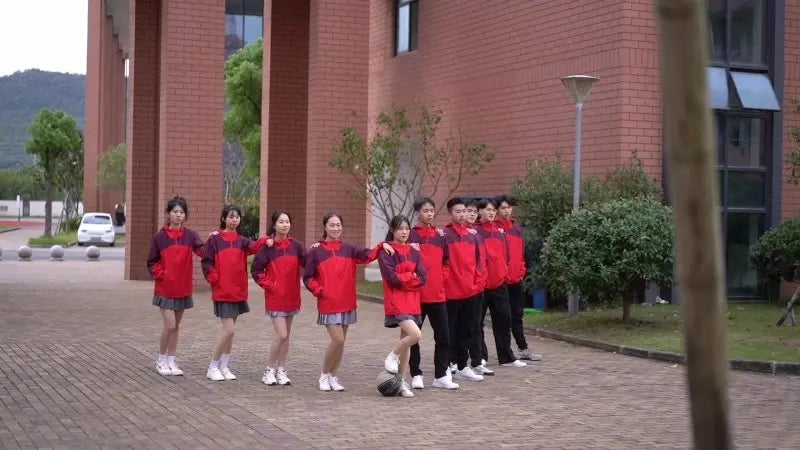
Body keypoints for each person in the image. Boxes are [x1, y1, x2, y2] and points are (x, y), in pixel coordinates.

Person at [303, 212, 392, 392]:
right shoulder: (316, 251)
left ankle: (333, 376)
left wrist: (382, 245)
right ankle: (324, 375)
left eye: (338, 225)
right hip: (328, 302)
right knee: (337, 339)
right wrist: (319, 290)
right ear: (325, 227)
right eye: (332, 225)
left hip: (347, 301)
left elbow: (369, 255)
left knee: (341, 342)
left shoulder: (349, 249)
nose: (335, 228)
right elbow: (308, 277)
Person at [202, 204, 266, 381]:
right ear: (223, 218)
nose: (234, 220)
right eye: (230, 216)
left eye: (237, 217)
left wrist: (267, 240)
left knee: (231, 332)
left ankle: (224, 366)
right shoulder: (215, 239)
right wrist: (213, 277)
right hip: (222, 290)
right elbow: (207, 261)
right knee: (229, 330)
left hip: (237, 290)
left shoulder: (242, 240)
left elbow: (255, 247)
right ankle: (213, 366)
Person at [147, 196, 206, 376]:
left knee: (176, 326)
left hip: (183, 288)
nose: (178, 215)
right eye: (175, 212)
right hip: (165, 289)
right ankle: (161, 359)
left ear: (185, 215)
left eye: (181, 212)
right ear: (168, 214)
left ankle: (171, 360)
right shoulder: (160, 237)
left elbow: (204, 251)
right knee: (170, 325)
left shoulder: (190, 236)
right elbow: (152, 262)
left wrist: (216, 239)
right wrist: (163, 275)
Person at [251, 210, 307, 386]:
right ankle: (269, 370)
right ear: (274, 225)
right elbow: (256, 270)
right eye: (281, 222)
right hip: (275, 297)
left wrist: (318, 250)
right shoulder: (268, 247)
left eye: (287, 221)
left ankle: (281, 369)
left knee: (286, 336)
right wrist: (270, 285)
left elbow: (309, 263)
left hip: (292, 296)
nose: (285, 225)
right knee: (281, 334)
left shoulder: (296, 246)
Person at [409, 198, 460, 390]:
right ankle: (416, 374)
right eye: (426, 211)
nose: (429, 214)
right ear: (418, 213)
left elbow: (446, 261)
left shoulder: (440, 236)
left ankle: (441, 375)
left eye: (432, 210)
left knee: (444, 337)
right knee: (414, 337)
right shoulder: (411, 235)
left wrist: (441, 278)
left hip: (438, 295)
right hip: (416, 296)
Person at [379, 215, 427, 398]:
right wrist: (411, 278)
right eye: (400, 229)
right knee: (416, 335)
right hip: (396, 301)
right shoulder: (387, 251)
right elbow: (392, 279)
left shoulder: (414, 251)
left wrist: (407, 279)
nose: (404, 232)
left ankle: (400, 382)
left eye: (407, 228)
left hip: (413, 301)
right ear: (393, 230)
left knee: (407, 342)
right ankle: (392, 355)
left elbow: (423, 277)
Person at [476, 198, 527, 368]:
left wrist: (506, 273)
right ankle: (480, 356)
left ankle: (506, 357)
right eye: (487, 210)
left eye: (493, 210)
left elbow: (507, 257)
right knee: (477, 322)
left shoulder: (500, 232)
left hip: (499, 284)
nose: (491, 213)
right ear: (480, 211)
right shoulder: (476, 232)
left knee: (504, 320)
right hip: (482, 286)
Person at [442, 198, 484, 382]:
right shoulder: (444, 235)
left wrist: (476, 283)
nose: (462, 214)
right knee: (450, 330)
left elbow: (479, 262)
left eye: (464, 211)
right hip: (451, 292)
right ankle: (449, 364)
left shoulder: (472, 235)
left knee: (466, 330)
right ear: (450, 213)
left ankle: (462, 365)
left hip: (471, 291)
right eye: (457, 211)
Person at [496, 195, 543, 361]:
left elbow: (521, 254)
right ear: (497, 210)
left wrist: (521, 270)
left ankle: (523, 348)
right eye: (503, 208)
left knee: (517, 315)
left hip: (516, 279)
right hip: (501, 282)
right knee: (504, 318)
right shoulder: (495, 230)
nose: (507, 211)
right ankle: (506, 351)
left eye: (509, 207)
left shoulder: (517, 229)